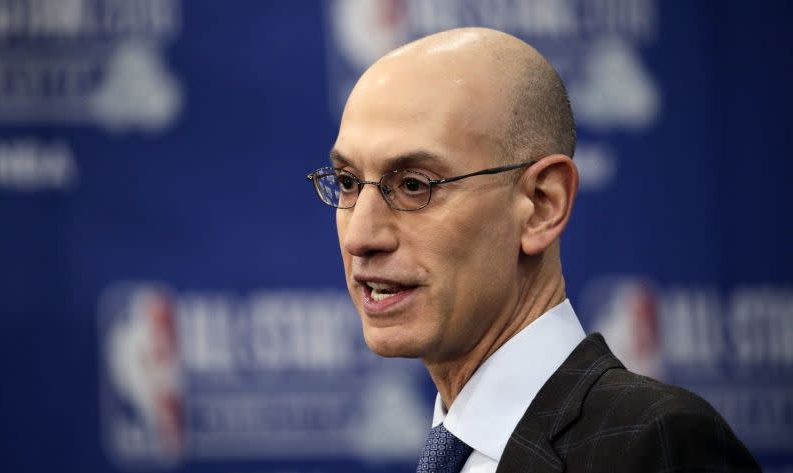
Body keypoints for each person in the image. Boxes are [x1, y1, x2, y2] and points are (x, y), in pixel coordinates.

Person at [306, 27, 760, 472]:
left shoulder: (656, 446)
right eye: (347, 182)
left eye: (412, 185)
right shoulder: (457, 448)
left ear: (543, 205)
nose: (359, 237)